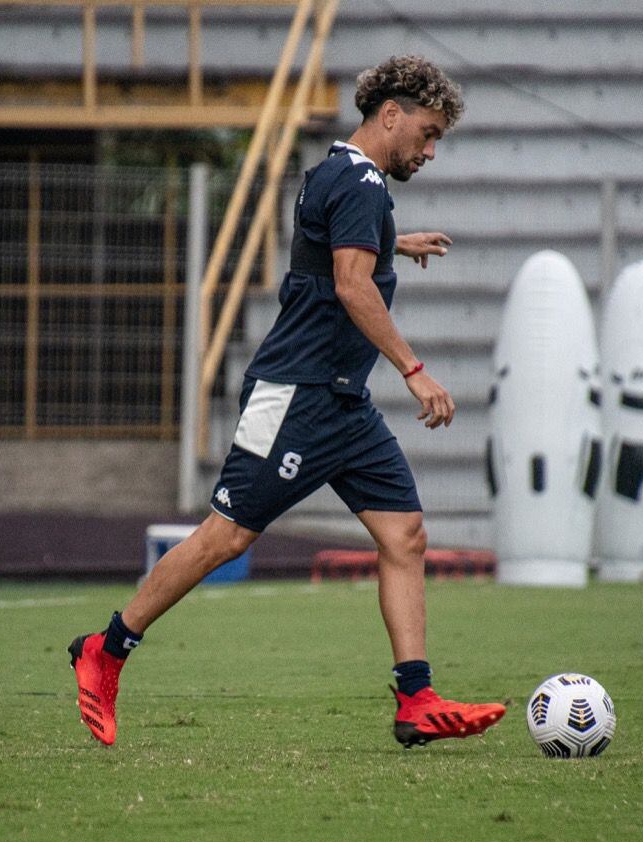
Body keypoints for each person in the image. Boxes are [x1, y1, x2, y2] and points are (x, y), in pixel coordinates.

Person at [70, 55, 506, 748]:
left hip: (342, 404)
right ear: (390, 114)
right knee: (226, 538)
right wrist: (414, 370)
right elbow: (351, 286)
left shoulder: (338, 172)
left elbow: (329, 251)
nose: (429, 152)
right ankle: (107, 647)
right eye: (426, 134)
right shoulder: (360, 184)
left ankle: (417, 697)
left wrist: (393, 243)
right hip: (295, 394)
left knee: (405, 535)